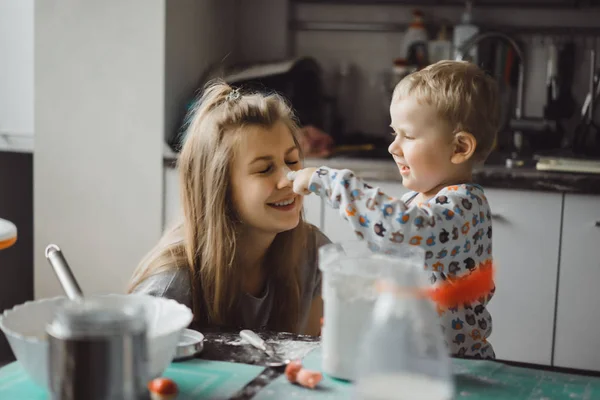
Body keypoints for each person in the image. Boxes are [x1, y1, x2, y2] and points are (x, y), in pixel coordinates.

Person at [289, 60, 500, 358]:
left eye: (409, 136)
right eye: (394, 134)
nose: (393, 147)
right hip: (414, 359)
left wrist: (331, 182)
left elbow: (399, 232)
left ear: (459, 148)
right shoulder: (419, 200)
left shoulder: (463, 205)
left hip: (455, 367)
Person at [128, 81, 330, 336]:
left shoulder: (314, 253)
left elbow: (312, 359)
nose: (289, 178)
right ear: (219, 186)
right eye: (264, 169)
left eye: (291, 160)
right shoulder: (169, 288)